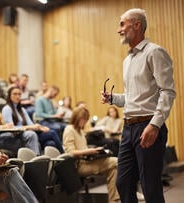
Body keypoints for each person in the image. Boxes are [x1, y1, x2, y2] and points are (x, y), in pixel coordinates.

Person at [101, 8, 176, 203]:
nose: (119, 30)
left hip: (148, 126)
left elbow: (167, 91)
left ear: (137, 25)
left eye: (122, 24)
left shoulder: (155, 52)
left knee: (150, 186)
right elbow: (132, 97)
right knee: (123, 183)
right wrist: (113, 99)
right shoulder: (128, 60)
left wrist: (155, 125)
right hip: (128, 128)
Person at [63, 107, 120, 203]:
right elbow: (70, 153)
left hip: (87, 161)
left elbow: (82, 149)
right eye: (83, 119)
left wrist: (92, 151)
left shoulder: (80, 131)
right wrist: (89, 151)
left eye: (86, 119)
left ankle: (114, 200)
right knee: (116, 161)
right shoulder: (69, 130)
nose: (85, 122)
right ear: (77, 118)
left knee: (113, 170)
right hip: (79, 166)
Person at [0, 84, 40, 155]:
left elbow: (2, 127)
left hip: (2, 135)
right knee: (23, 142)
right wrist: (1, 127)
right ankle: (33, 161)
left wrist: (7, 127)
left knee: (29, 139)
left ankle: (33, 160)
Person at [2, 86, 64, 153]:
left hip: (27, 132)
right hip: (18, 135)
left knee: (50, 142)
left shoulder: (22, 110)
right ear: (9, 96)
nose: (17, 96)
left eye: (19, 94)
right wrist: (31, 127)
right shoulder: (7, 109)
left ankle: (51, 161)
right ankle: (63, 155)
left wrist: (40, 127)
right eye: (15, 94)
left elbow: (31, 124)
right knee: (52, 133)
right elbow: (12, 128)